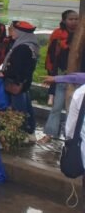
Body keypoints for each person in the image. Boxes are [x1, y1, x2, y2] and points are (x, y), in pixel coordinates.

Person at [41, 10, 81, 143]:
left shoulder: (81, 35)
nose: (74, 22)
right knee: (56, 107)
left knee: (74, 109)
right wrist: (52, 74)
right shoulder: (57, 35)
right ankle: (49, 133)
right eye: (71, 19)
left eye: (76, 19)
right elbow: (51, 56)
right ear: (64, 20)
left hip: (79, 78)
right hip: (61, 76)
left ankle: (71, 136)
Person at [0, 21, 39, 141]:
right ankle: (30, 130)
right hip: (24, 82)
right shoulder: (30, 45)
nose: (10, 33)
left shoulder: (22, 48)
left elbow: (15, 68)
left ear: (20, 32)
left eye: (12, 30)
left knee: (19, 109)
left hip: (17, 82)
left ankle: (21, 134)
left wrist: (2, 73)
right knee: (27, 106)